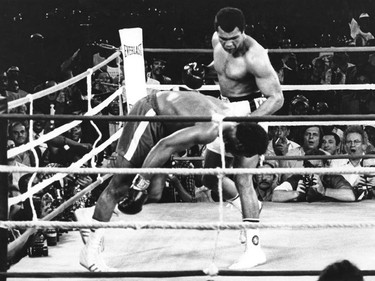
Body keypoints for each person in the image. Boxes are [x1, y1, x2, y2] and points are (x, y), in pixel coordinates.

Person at [79, 90, 269, 272]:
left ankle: (91, 214)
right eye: (239, 152)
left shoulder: (232, 121)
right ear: (239, 143)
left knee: (155, 193)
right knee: (119, 187)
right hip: (150, 115)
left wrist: (144, 185)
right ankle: (90, 252)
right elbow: (165, 146)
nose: (235, 156)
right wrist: (140, 183)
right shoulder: (211, 129)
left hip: (166, 128)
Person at [193, 7, 283, 269]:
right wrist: (201, 73)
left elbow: (277, 98)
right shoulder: (216, 40)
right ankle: (250, 207)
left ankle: (255, 249)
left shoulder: (255, 55)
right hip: (224, 110)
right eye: (224, 39)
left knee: (243, 178)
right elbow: (220, 68)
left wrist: (248, 122)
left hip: (250, 111)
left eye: (235, 38)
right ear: (217, 32)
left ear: (243, 31)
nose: (229, 44)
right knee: (209, 176)